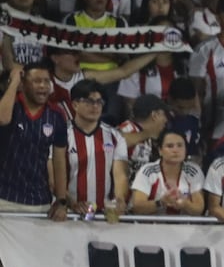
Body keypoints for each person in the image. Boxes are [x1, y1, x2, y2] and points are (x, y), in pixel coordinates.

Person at [60, 80, 128, 221]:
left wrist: (119, 199)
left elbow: (120, 175)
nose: (95, 106)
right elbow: (54, 178)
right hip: (68, 214)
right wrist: (73, 203)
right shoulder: (61, 135)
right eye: (89, 101)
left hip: (103, 216)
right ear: (75, 105)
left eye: (99, 102)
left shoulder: (115, 137)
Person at [130, 129, 205, 216]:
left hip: (185, 227)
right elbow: (137, 207)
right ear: (160, 151)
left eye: (180, 145)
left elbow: (199, 209)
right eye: (170, 146)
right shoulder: (148, 171)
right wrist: (161, 203)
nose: (175, 150)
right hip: (153, 227)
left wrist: (185, 204)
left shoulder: (194, 171)